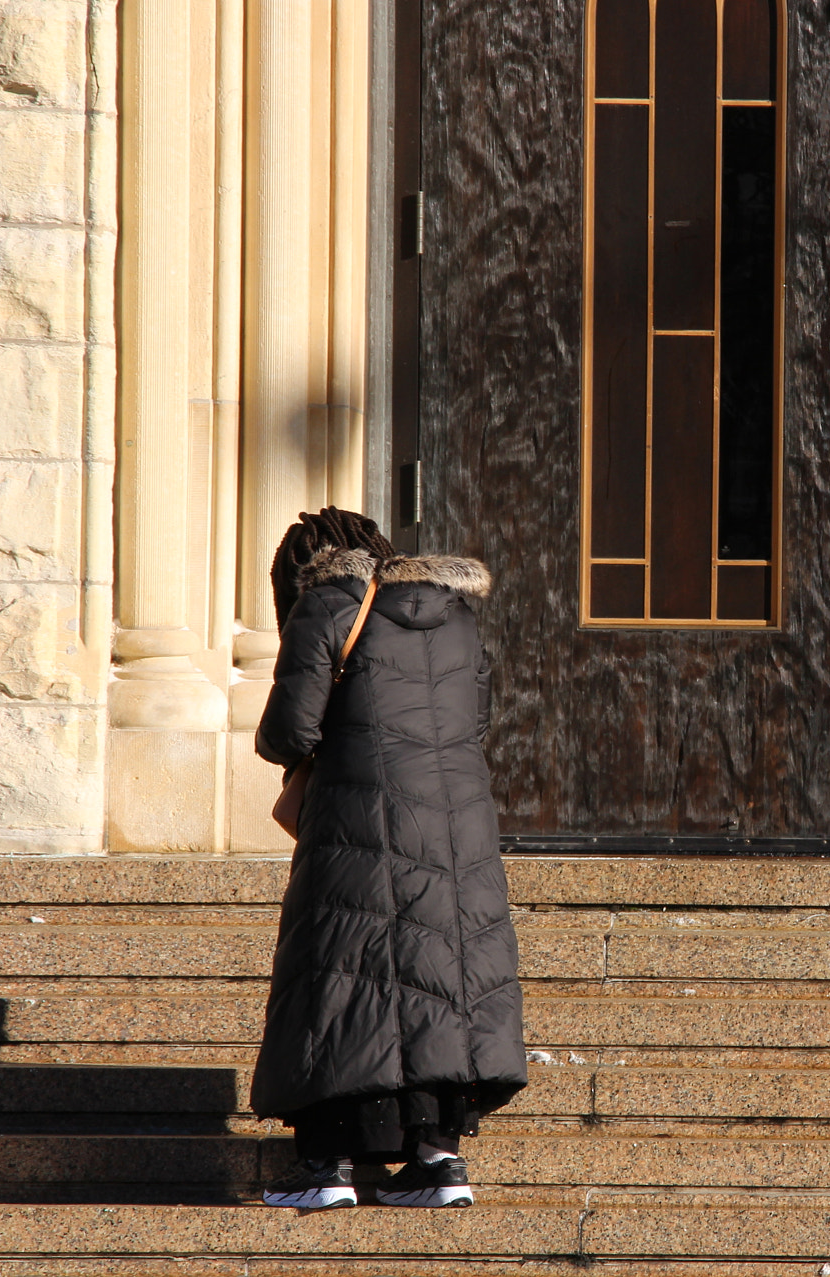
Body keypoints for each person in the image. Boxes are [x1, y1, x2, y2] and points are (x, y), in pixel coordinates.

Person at [249, 507, 527, 1211]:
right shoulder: (457, 616)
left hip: (357, 821)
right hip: (455, 828)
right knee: (438, 977)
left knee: (347, 970)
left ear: (304, 567)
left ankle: (328, 1165)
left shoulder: (329, 605)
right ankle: (438, 1160)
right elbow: (479, 719)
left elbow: (289, 731)